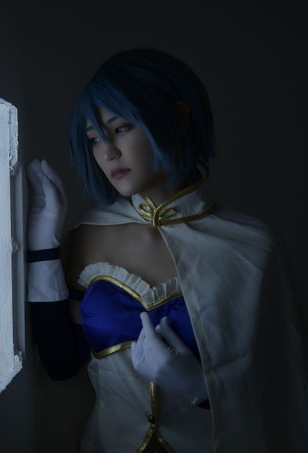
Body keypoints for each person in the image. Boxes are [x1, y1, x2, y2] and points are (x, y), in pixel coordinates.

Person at [26, 48, 308, 452]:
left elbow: (285, 395)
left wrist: (200, 389)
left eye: (120, 128)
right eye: (94, 139)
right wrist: (42, 246)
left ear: (178, 119)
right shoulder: (86, 236)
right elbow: (60, 364)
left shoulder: (254, 248)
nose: (107, 152)